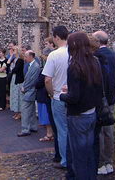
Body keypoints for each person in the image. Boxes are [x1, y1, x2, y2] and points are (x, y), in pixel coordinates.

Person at [60, 32, 102, 180]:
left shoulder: (74, 66)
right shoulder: (94, 62)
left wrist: (61, 95)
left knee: (79, 157)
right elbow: (96, 89)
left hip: (77, 116)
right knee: (89, 153)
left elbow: (74, 97)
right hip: (91, 113)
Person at [42, 25, 69, 169]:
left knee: (62, 130)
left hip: (58, 97)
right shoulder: (74, 52)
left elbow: (47, 79)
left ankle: (65, 161)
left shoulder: (54, 55)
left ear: (57, 37)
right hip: (73, 97)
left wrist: (52, 94)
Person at [92, 31, 115, 175]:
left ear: (97, 41)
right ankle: (109, 162)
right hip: (111, 97)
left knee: (100, 132)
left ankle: (101, 163)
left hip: (101, 99)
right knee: (109, 131)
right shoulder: (113, 54)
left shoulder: (97, 56)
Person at [17, 50, 40, 137]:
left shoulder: (35, 66)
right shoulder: (32, 65)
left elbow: (32, 80)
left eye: (26, 57)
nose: (25, 58)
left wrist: (24, 88)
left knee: (25, 110)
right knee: (32, 110)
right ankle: (33, 126)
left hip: (30, 91)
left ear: (31, 56)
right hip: (30, 91)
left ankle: (25, 129)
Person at [36, 52, 54, 142]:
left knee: (46, 115)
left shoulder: (46, 70)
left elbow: (40, 82)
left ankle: (49, 134)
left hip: (44, 95)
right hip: (47, 94)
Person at [9, 47, 24, 120]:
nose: (12, 51)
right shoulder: (14, 59)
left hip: (18, 79)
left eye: (14, 50)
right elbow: (8, 64)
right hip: (13, 79)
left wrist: (12, 70)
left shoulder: (20, 60)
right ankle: (16, 112)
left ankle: (20, 112)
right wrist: (11, 56)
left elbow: (15, 69)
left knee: (18, 96)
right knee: (14, 95)